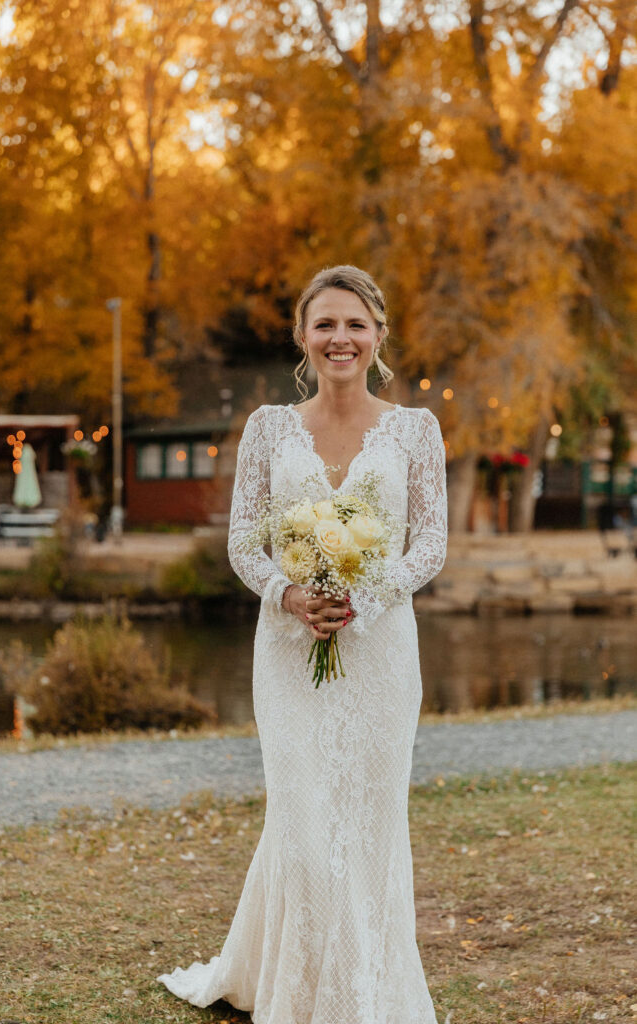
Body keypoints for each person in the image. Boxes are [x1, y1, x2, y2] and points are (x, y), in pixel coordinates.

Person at [157, 265, 448, 1023]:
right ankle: (294, 986)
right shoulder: (267, 428)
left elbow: (430, 546)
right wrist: (289, 595)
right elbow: (243, 544)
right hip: (288, 652)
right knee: (304, 817)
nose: (339, 338)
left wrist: (367, 594)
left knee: (369, 816)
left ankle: (364, 991)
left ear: (379, 335)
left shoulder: (417, 430)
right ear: (302, 336)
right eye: (325, 324)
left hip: (379, 650)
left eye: (354, 324)